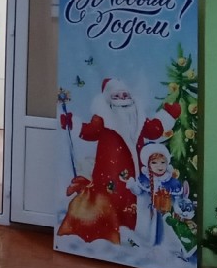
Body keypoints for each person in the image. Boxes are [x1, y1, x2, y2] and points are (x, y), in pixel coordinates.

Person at [58, 78, 177, 245]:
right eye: (117, 96)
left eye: (125, 95)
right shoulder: (103, 118)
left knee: (132, 201)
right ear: (109, 99)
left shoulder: (139, 117)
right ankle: (109, 232)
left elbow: (154, 130)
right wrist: (73, 124)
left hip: (135, 174)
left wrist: (168, 115)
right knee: (109, 202)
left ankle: (132, 233)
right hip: (108, 173)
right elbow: (90, 131)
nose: (122, 99)